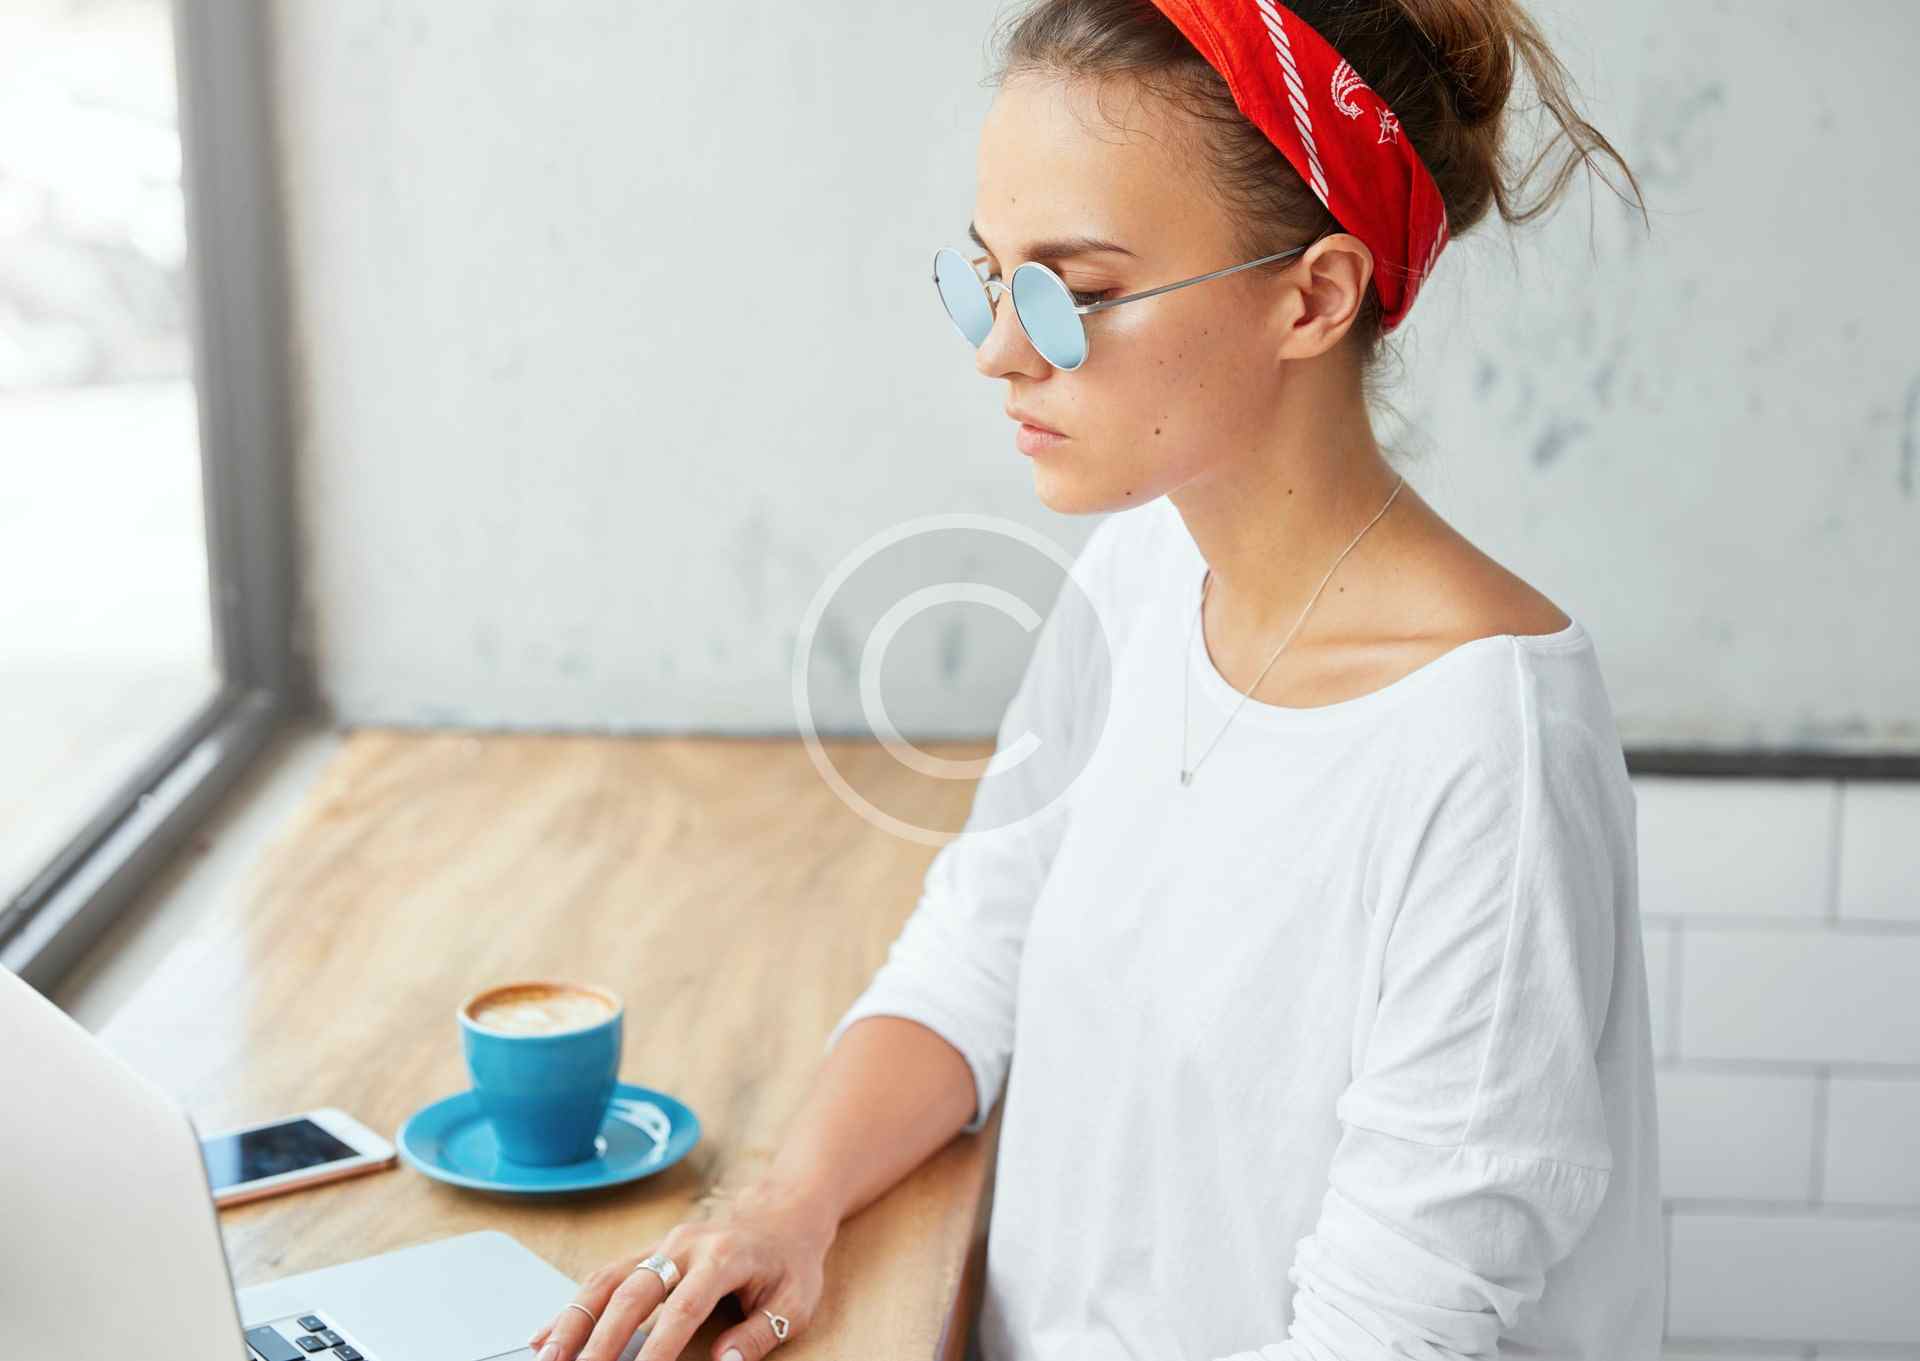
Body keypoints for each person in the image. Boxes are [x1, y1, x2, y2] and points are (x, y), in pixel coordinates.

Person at [528, 0, 1658, 1358]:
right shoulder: (1143, 572)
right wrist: (787, 1204)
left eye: (1076, 294)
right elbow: (975, 952)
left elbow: (1391, 1335)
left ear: (1313, 295)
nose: (999, 349)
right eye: (988, 277)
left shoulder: (1491, 744)